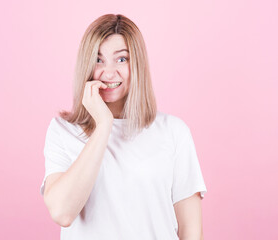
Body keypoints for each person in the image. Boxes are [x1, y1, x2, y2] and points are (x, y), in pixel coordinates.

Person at [40, 13, 207, 240]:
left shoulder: (174, 132)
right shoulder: (63, 131)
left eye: (121, 59)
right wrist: (104, 124)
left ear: (136, 63)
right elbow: (62, 212)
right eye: (98, 59)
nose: (109, 73)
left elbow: (191, 231)